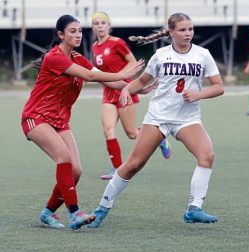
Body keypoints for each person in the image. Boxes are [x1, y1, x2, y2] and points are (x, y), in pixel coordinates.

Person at [88, 13, 224, 229]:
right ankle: (102, 208)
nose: (188, 33)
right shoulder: (160, 55)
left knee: (207, 156)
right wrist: (126, 88)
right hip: (158, 117)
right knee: (133, 165)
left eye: (190, 29)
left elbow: (219, 86)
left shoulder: (202, 54)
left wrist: (198, 94)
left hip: (187, 119)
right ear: (171, 32)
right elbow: (142, 81)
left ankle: (194, 208)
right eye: (182, 29)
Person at [21, 14, 144, 230]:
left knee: (75, 171)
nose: (78, 35)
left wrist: (136, 85)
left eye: (79, 31)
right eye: (72, 31)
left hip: (60, 121)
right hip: (36, 117)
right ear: (61, 35)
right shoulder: (54, 57)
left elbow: (104, 78)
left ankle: (47, 213)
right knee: (63, 157)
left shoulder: (77, 57)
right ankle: (74, 213)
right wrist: (125, 72)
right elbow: (92, 76)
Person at [91, 12, 172, 180]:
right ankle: (117, 169)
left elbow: (133, 62)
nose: (99, 26)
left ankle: (160, 138)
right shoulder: (94, 47)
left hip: (124, 90)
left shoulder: (116, 43)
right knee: (108, 130)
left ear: (108, 25)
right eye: (96, 23)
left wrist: (118, 77)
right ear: (92, 27)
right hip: (108, 92)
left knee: (131, 133)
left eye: (102, 23)